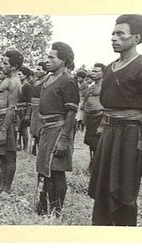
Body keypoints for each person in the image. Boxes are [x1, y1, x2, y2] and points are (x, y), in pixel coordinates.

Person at [88, 14, 142, 226]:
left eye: (120, 34)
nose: (114, 38)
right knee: (102, 191)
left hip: (131, 138)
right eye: (113, 33)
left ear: (136, 38)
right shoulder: (110, 69)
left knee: (124, 196)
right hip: (109, 136)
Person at [36, 42, 79, 217]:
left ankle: (55, 211)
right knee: (45, 169)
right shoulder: (48, 78)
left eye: (51, 57)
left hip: (59, 129)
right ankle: (43, 205)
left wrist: (64, 139)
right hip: (46, 129)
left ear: (63, 60)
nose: (47, 61)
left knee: (56, 171)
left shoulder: (68, 81)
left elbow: (71, 112)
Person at [0, 50, 23, 194]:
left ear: (14, 66)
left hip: (6, 121)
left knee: (9, 155)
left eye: (5, 63)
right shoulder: (6, 79)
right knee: (2, 154)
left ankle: (6, 188)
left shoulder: (15, 82)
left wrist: (4, 130)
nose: (2, 66)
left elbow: (11, 107)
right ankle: (1, 184)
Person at [82, 63, 105, 173]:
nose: (93, 73)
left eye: (96, 71)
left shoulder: (106, 86)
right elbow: (86, 101)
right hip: (90, 117)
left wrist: (102, 123)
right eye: (93, 70)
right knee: (90, 142)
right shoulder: (91, 86)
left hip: (100, 117)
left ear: (103, 73)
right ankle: (92, 163)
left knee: (97, 143)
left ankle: (96, 167)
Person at [30, 61, 49, 156]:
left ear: (45, 72)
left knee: (41, 129)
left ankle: (41, 149)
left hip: (42, 107)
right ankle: (34, 148)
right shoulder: (35, 81)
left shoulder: (47, 81)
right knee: (34, 128)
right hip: (34, 108)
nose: (36, 71)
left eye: (38, 69)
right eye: (36, 69)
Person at [16, 66, 33, 151]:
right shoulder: (18, 85)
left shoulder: (28, 86)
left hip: (24, 110)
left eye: (20, 74)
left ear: (25, 75)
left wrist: (28, 114)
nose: (18, 76)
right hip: (17, 109)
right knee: (17, 128)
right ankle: (18, 144)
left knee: (23, 128)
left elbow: (30, 102)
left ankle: (25, 146)